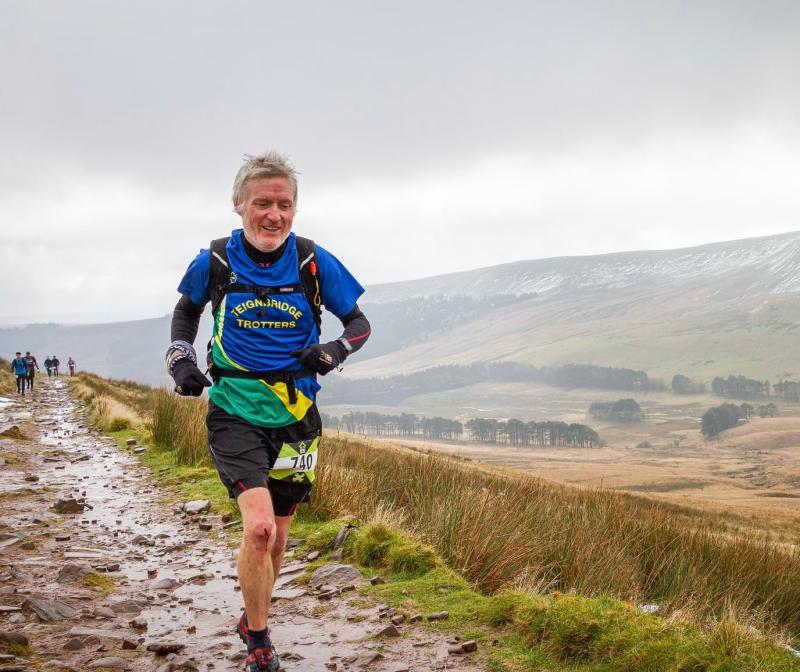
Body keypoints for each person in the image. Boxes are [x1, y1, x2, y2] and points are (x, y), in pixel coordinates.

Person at [166, 151, 371, 672]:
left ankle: (251, 613)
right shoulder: (214, 260)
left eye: (283, 204)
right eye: (262, 203)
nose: (273, 214)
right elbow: (187, 309)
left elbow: (359, 323)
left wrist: (335, 351)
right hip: (234, 409)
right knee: (258, 528)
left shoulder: (311, 261)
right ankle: (259, 639)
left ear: (294, 211)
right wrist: (181, 358)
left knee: (279, 534)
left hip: (298, 414)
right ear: (240, 205)